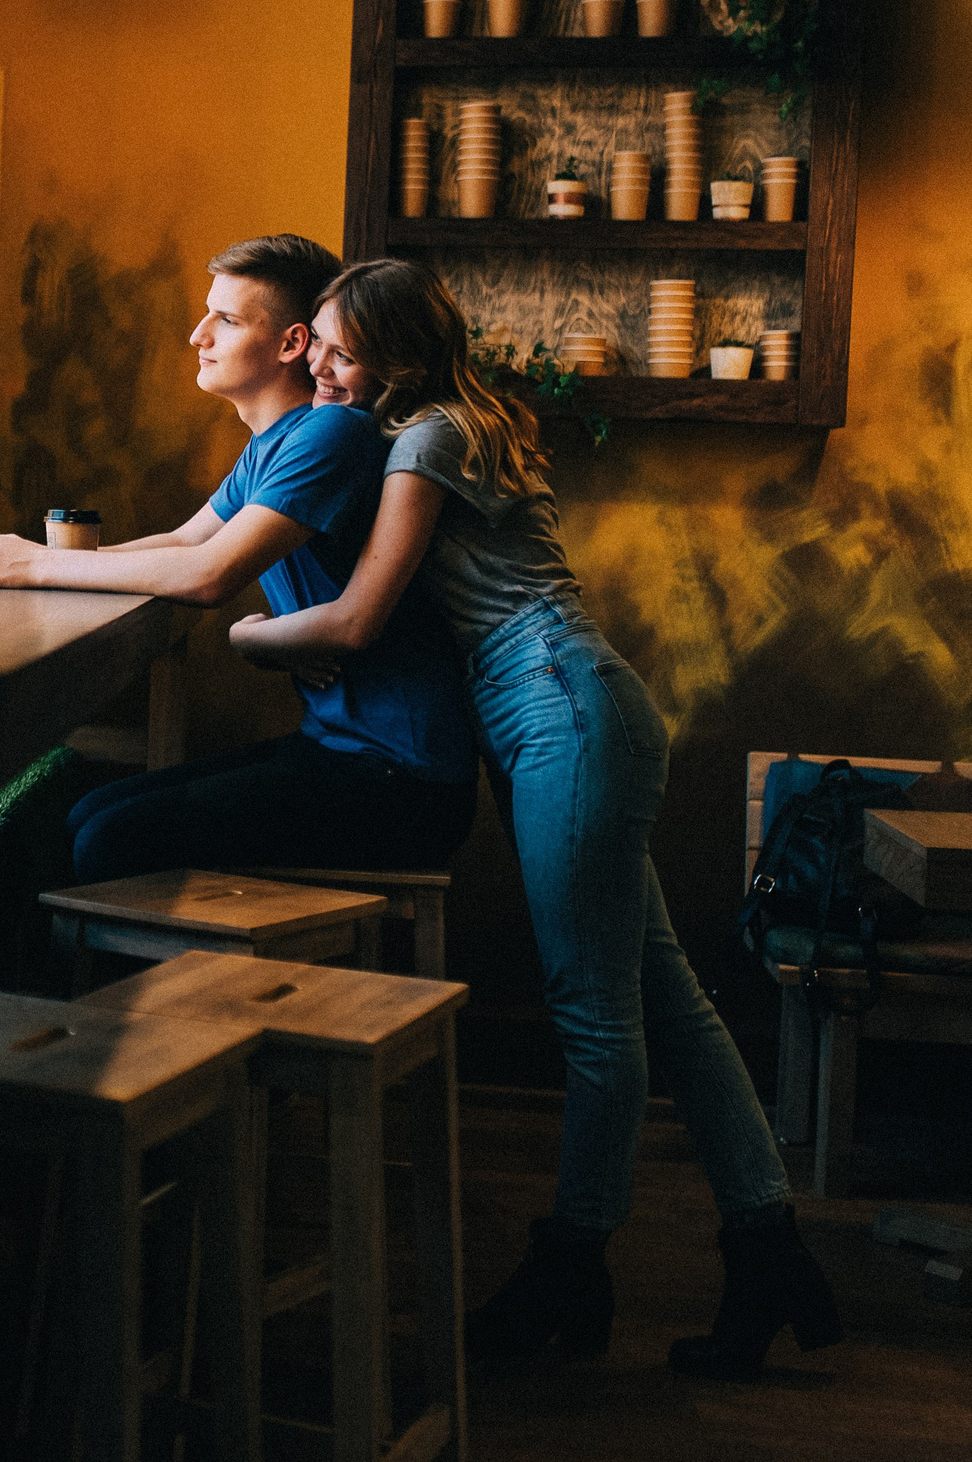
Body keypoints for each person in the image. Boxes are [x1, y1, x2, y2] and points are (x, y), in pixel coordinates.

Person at [230, 258, 839, 1378]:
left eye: (336, 347)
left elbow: (359, 615)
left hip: (560, 713)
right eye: (311, 339)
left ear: (398, 362)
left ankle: (570, 1269)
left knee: (594, 1019)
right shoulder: (460, 421)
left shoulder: (421, 441)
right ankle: (768, 1247)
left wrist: (243, 631)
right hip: (568, 712)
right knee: (668, 1002)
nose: (314, 359)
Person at [0, 235, 477, 884]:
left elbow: (208, 575)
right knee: (86, 812)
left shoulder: (331, 432)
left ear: (292, 343)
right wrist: (40, 560)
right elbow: (185, 541)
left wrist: (35, 567)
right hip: (345, 751)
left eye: (226, 319)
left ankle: (131, 988)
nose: (197, 334)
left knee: (105, 838)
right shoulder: (274, 442)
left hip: (400, 779)